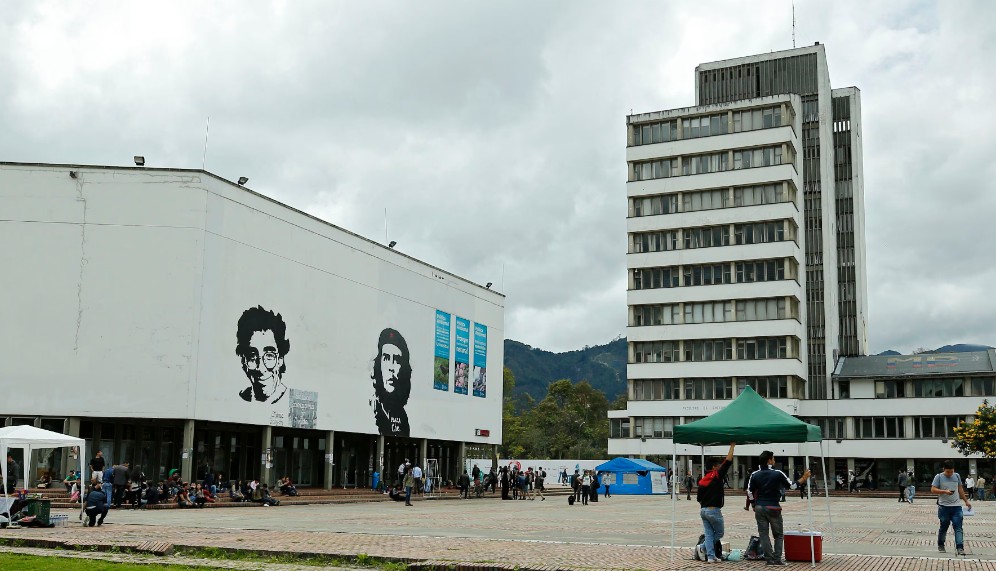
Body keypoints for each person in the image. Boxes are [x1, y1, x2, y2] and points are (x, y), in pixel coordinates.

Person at [748, 450, 811, 566]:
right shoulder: (777, 473)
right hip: (773, 507)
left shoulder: (754, 474)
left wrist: (753, 504)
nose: (774, 460)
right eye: (773, 459)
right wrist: (804, 477)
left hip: (760, 507)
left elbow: (749, 492)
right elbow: (792, 486)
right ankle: (777, 559)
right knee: (778, 535)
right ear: (769, 461)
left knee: (763, 534)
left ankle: (769, 559)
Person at [236, 305, 291, 403]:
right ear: (244, 360)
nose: (261, 369)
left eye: (269, 356)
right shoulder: (240, 399)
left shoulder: (289, 400)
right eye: (252, 356)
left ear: (280, 359)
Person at [697, 443, 736, 563]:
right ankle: (703, 547)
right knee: (719, 533)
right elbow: (728, 461)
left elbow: (699, 498)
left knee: (709, 534)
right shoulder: (717, 476)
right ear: (714, 467)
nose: (720, 467)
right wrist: (732, 446)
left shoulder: (702, 480)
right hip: (713, 510)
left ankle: (711, 556)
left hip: (703, 510)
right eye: (718, 466)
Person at [370, 328, 412, 436]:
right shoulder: (370, 408)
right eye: (386, 358)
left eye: (397, 360)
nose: (391, 367)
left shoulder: (402, 416)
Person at [931, 460, 971, 556]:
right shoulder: (939, 477)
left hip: (956, 506)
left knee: (958, 527)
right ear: (943, 469)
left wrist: (966, 501)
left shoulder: (956, 476)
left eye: (951, 471)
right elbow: (933, 489)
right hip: (944, 507)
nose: (950, 474)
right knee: (944, 527)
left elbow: (960, 489)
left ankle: (960, 547)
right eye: (948, 472)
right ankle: (941, 544)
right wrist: (944, 491)